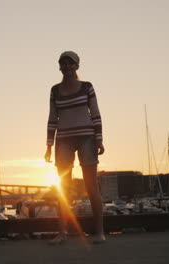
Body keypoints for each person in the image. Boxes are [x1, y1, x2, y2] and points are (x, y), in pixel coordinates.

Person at [44, 51, 105, 244]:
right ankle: (62, 233)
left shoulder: (87, 87)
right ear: (60, 67)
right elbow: (52, 118)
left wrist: (99, 139)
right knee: (64, 188)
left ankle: (99, 232)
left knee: (91, 187)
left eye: (71, 64)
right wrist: (48, 145)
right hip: (64, 140)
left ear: (77, 66)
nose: (68, 67)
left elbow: (95, 114)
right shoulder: (55, 91)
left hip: (87, 138)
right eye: (64, 64)